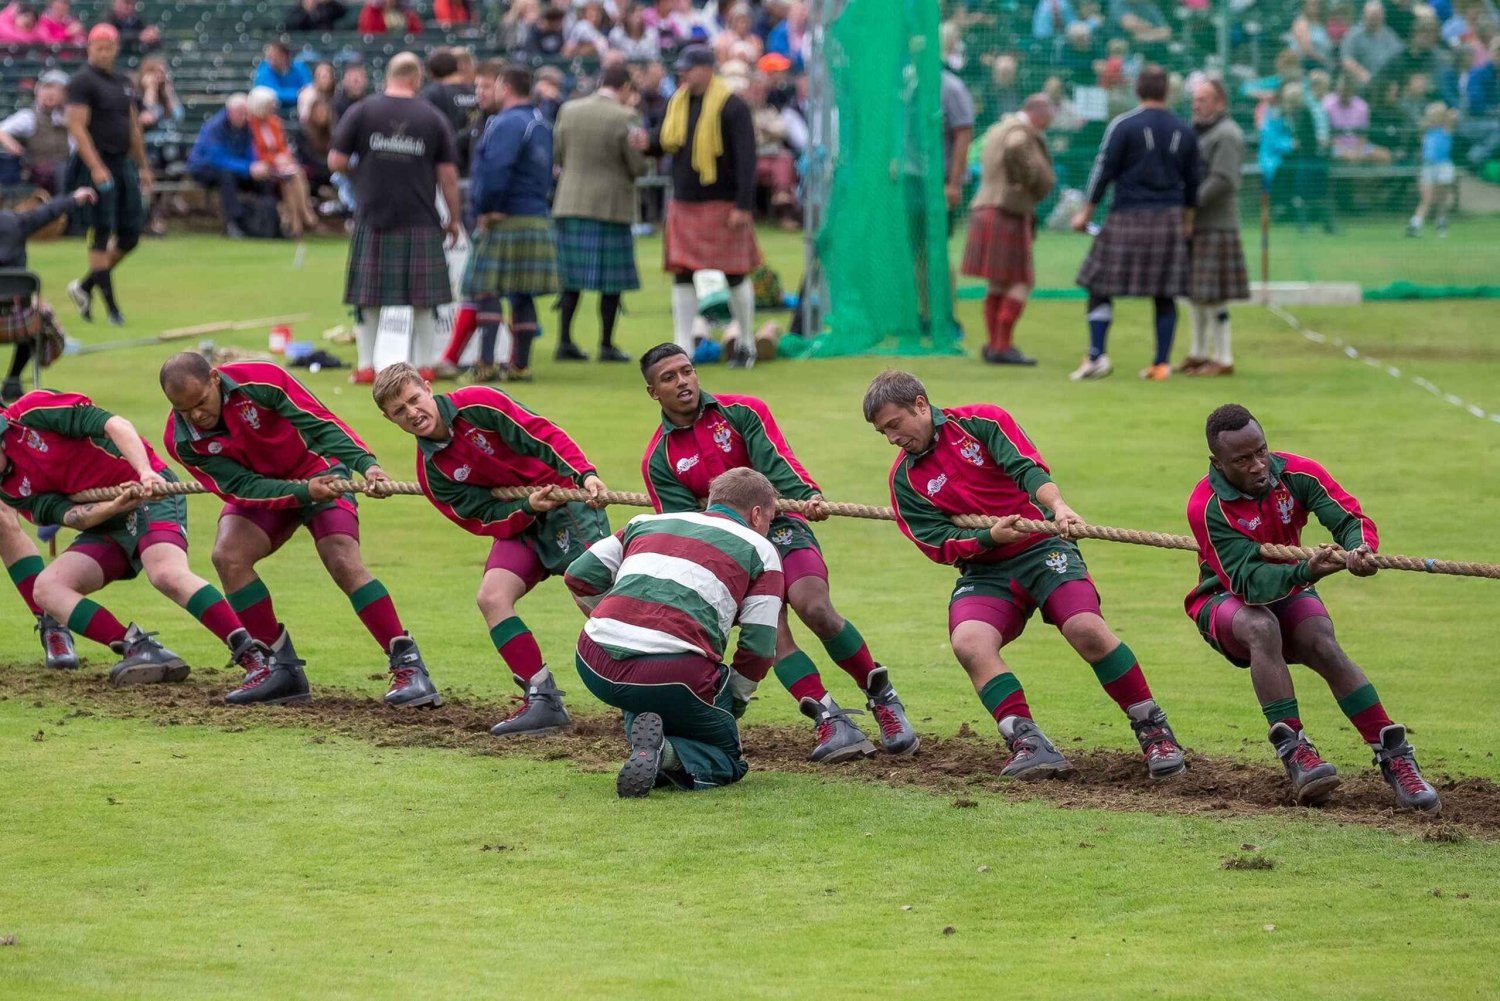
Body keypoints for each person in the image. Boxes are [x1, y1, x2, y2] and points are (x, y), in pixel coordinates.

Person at [863, 369, 1186, 780]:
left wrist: (1060, 507)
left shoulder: (981, 422)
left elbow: (1028, 469)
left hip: (1044, 548)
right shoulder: (905, 480)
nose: (892, 438)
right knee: (969, 642)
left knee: (1086, 628)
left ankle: (1154, 729)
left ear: (921, 405)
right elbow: (935, 542)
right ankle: (1028, 742)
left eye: (895, 424)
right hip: (986, 568)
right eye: (883, 433)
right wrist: (987, 538)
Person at [640, 343, 917, 762]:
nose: (682, 382)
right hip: (727, 553)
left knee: (815, 606)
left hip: (782, 525)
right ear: (652, 392)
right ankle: (829, 719)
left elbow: (777, 462)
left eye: (687, 371)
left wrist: (806, 496)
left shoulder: (743, 412)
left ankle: (883, 700)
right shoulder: (658, 458)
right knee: (771, 634)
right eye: (669, 378)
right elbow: (688, 529)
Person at [1185, 404, 1440, 812]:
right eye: (1243, 459)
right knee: (1261, 627)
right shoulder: (1207, 506)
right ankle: (1296, 751)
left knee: (1322, 642)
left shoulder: (1298, 472)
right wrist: (1307, 569)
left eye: (1261, 451)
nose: (1257, 465)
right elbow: (1248, 583)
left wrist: (1360, 549)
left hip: (1291, 586)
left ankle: (1396, 759)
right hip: (1224, 599)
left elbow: (1348, 517)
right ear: (1217, 462)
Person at [157, 353, 438, 708]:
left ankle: (408, 666)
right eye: (184, 409)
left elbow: (321, 423)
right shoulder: (181, 439)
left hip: (321, 469)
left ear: (215, 378)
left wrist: (366, 466)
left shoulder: (261, 380)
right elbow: (239, 487)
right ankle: (279, 670)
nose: (196, 415)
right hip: (266, 489)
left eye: (200, 403)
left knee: (341, 559)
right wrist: (301, 492)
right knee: (228, 557)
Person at [371, 363, 611, 735]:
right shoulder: (432, 472)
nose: (412, 413)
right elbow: (481, 517)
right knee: (491, 596)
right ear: (390, 420)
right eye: (399, 412)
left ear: (428, 388)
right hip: (524, 518)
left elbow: (541, 435)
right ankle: (542, 698)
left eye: (414, 400)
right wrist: (526, 508)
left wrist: (585, 474)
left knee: (592, 592)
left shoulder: (480, 404)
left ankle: (648, 685)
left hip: (566, 500)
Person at [0, 390, 276, 688]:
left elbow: (114, 424)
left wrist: (145, 473)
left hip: (149, 493)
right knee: (47, 589)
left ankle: (254, 656)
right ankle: (138, 648)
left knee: (166, 573)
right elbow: (71, 516)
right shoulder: (10, 490)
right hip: (107, 518)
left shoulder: (31, 413)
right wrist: (112, 507)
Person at [564, 467, 784, 797]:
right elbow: (758, 649)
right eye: (770, 519)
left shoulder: (645, 522)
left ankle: (645, 746)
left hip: (593, 659)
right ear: (756, 515)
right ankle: (665, 753)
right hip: (674, 674)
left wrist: (617, 618)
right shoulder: (762, 550)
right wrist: (726, 708)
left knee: (643, 693)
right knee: (728, 756)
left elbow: (578, 576)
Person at [330, 51, 461, 383]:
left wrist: (364, 169)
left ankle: (364, 367)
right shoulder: (432, 117)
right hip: (420, 217)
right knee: (423, 300)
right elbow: (447, 175)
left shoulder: (363, 110)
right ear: (416, 79)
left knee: (368, 298)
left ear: (388, 76)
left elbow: (335, 160)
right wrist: (455, 219)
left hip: (373, 215)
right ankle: (426, 365)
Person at [633, 44, 762, 368]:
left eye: (689, 68)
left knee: (734, 273)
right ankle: (682, 348)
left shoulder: (732, 106)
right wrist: (645, 143)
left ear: (707, 69)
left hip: (724, 203)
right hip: (685, 202)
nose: (684, 74)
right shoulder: (677, 103)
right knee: (683, 273)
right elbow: (663, 142)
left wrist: (743, 205)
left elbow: (747, 160)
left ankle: (746, 344)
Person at [1070, 65, 1199, 382]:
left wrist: (1085, 213)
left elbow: (1103, 171)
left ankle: (1098, 355)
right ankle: (1161, 364)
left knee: (1098, 285)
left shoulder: (1123, 125)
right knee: (1165, 292)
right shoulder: (1184, 129)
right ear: (1167, 91)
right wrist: (1187, 222)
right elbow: (1194, 183)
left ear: (1138, 90)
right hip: (1168, 218)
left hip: (1127, 215)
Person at [459, 65, 558, 383]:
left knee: (486, 288)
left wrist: (485, 209)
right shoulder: (540, 122)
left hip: (505, 218)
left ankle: (486, 363)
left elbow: (495, 170)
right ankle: (520, 366)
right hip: (535, 215)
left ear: (505, 86)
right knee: (521, 292)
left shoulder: (505, 123)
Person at [550, 63, 649, 364]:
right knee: (611, 283)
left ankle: (564, 340)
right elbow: (638, 165)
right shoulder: (627, 116)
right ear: (625, 87)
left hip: (569, 203)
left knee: (571, 279)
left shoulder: (569, 109)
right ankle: (606, 344)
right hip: (610, 207)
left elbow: (559, 154)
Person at [64, 24, 152, 328]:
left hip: (122, 162)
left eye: (108, 47)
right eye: (97, 47)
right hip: (94, 164)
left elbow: (133, 128)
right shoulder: (81, 82)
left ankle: (85, 287)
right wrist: (96, 166)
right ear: (89, 48)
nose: (103, 52)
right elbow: (76, 126)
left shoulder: (123, 82)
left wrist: (143, 166)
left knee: (130, 234)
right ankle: (113, 310)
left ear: (115, 49)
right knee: (101, 234)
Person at [961, 93, 1055, 367]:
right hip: (1006, 210)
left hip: (986, 207)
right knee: (1022, 281)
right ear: (1038, 112)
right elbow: (1016, 149)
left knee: (998, 282)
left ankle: (994, 345)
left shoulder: (998, 127)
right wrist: (1029, 181)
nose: (1049, 121)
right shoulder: (1019, 132)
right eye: (1049, 115)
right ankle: (1002, 345)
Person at [1, 186, 96, 403]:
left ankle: (13, 382)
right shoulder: (14, 222)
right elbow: (46, 213)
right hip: (18, 322)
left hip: (15, 318)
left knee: (33, 312)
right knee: (39, 318)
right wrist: (74, 198)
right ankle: (13, 380)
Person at [1179, 78, 1247, 378]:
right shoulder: (1198, 133)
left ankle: (1224, 357)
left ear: (1220, 102)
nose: (1197, 104)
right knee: (1197, 294)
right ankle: (1198, 353)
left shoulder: (1227, 134)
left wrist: (1189, 204)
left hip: (1216, 225)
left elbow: (1223, 179)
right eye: (1195, 99)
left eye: (1204, 99)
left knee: (1213, 294)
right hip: (1199, 224)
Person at [187, 93, 277, 239]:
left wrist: (255, 166)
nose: (244, 116)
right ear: (230, 112)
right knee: (226, 176)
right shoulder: (214, 127)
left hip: (236, 167)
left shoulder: (246, 128)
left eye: (246, 113)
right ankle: (233, 223)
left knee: (263, 180)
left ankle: (270, 223)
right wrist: (248, 168)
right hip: (205, 169)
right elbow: (217, 159)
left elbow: (249, 150)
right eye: (240, 113)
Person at [247, 87, 318, 239]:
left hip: (281, 166)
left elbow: (282, 146)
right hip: (264, 167)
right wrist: (275, 160)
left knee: (295, 174)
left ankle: (298, 221)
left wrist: (284, 157)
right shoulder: (250, 126)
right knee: (290, 178)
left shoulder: (274, 122)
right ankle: (302, 217)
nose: (272, 109)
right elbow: (256, 152)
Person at [0, 69, 72, 193]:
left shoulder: (69, 118)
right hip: (39, 173)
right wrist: (14, 146)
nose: (51, 93)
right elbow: (2, 130)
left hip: (67, 169)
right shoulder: (28, 117)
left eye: (57, 89)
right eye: (47, 88)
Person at [1407, 102, 1458, 236]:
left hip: (1443, 166)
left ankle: (1441, 221)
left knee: (1442, 198)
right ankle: (1415, 224)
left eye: (1435, 117)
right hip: (1428, 166)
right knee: (1426, 198)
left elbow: (1454, 116)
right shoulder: (1426, 132)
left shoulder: (1446, 129)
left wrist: (1446, 114)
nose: (1432, 120)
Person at [1340, 0, 1403, 88]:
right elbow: (1347, 61)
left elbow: (1399, 57)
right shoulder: (1353, 35)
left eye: (1377, 16)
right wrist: (1364, 75)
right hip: (1362, 84)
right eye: (1371, 16)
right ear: (1364, 15)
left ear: (1383, 16)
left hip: (1386, 85)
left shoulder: (1391, 36)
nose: (1374, 20)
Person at [420, 48, 477, 137]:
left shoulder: (432, 93)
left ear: (431, 73)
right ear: (456, 67)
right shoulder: (476, 91)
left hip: (446, 146)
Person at [252, 41, 312, 114]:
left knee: (310, 94)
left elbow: (308, 86)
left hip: (301, 103)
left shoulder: (300, 67)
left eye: (275, 55)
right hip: (273, 105)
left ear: (285, 56)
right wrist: (296, 93)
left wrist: (302, 93)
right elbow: (271, 91)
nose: (271, 59)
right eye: (269, 56)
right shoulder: (264, 69)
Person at [357, 0, 422, 34]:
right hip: (380, 49)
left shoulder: (405, 10)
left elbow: (416, 31)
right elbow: (372, 36)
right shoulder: (371, 11)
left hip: (403, 48)